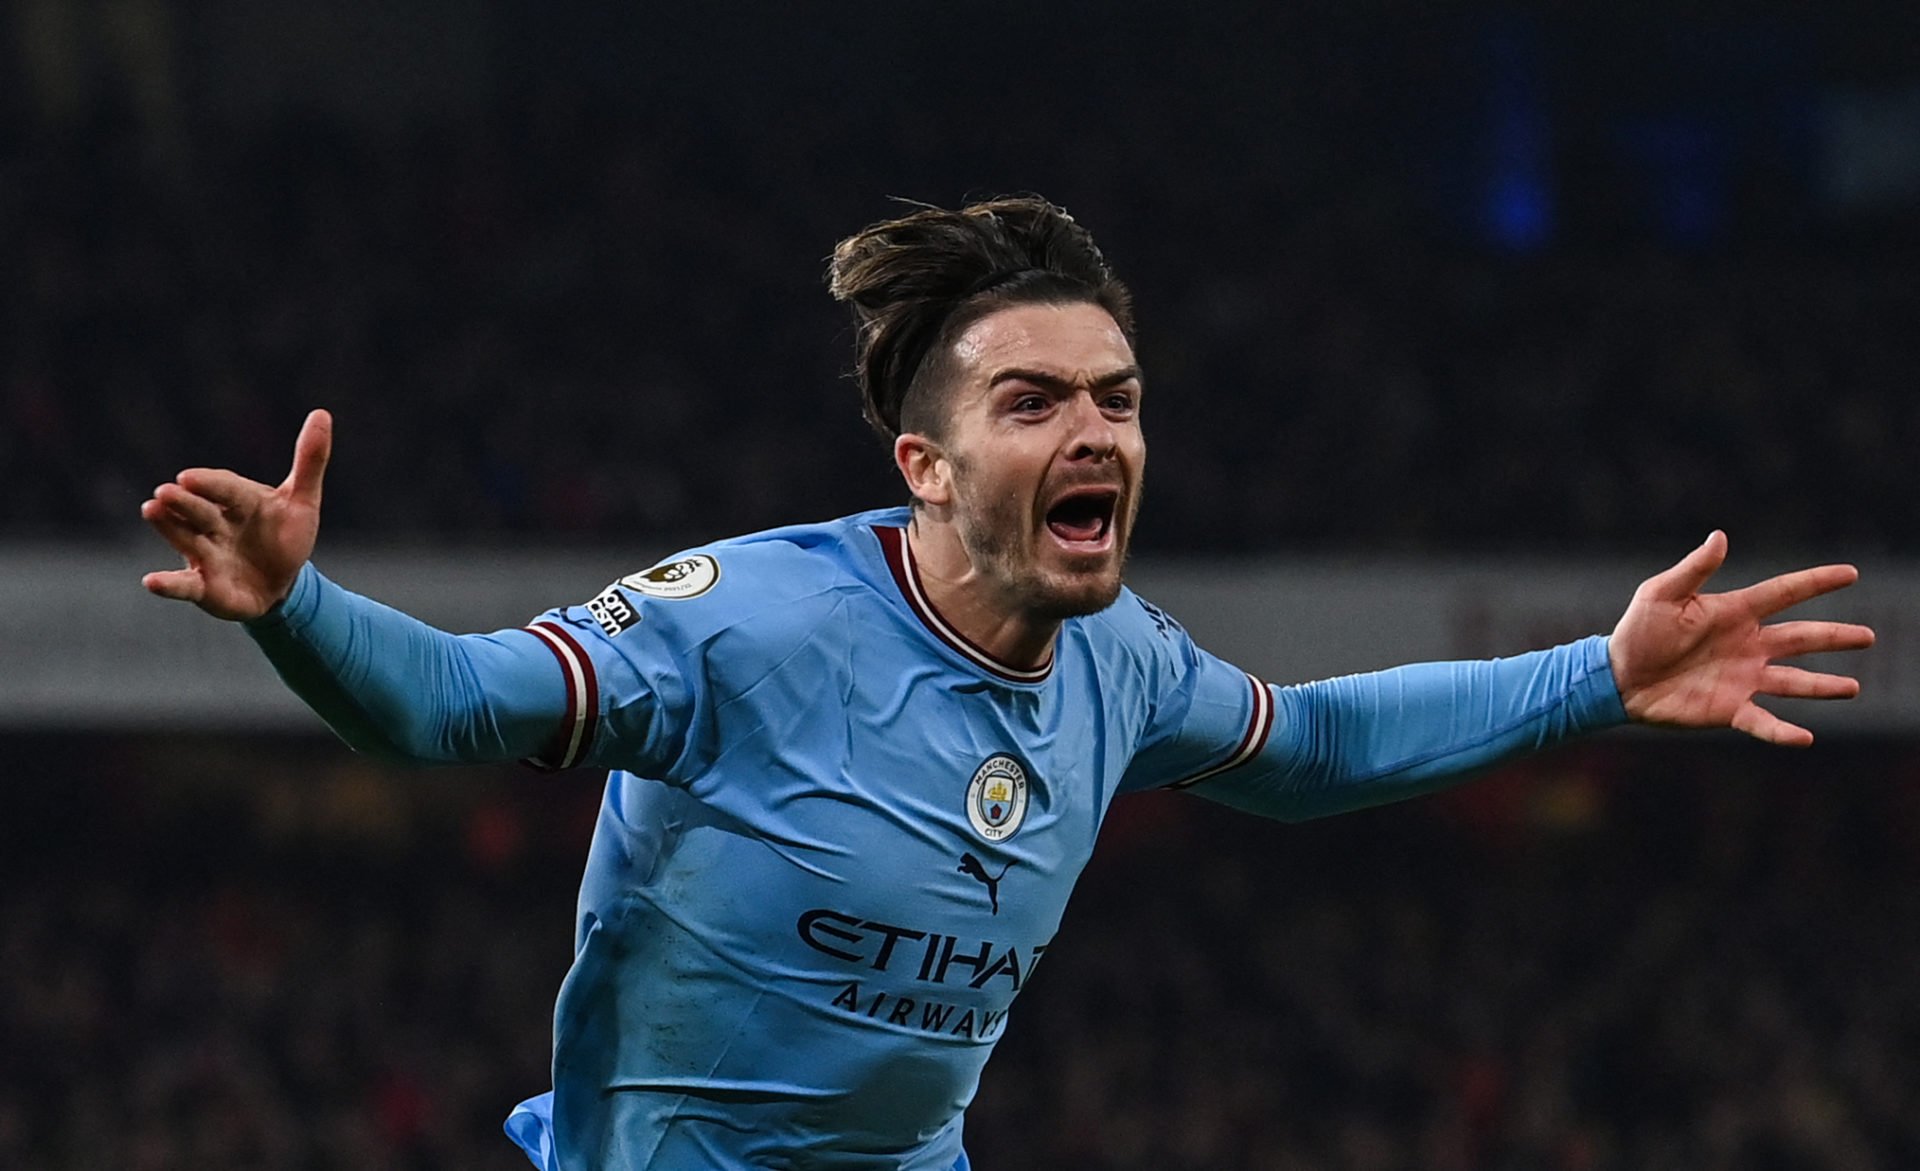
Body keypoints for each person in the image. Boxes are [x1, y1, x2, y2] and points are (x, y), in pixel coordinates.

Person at [140, 196, 1873, 1171]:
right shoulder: (747, 623)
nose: (1095, 428)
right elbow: (445, 706)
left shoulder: (1122, 664)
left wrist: (1597, 674)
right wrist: (299, 607)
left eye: (1115, 396)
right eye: (1034, 400)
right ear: (926, 462)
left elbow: (1314, 743)